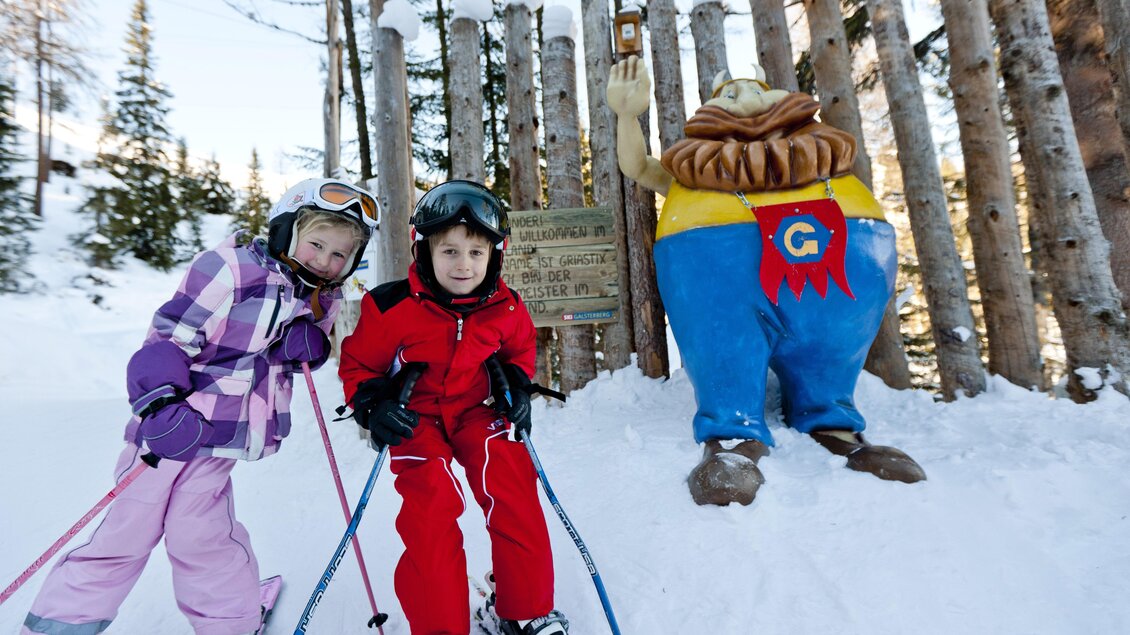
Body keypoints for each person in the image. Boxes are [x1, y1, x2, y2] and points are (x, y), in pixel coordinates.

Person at [22, 178, 380, 635]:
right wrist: (160, 404)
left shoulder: (318, 295)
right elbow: (168, 336)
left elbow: (289, 354)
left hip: (220, 441)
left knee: (201, 537)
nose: (326, 261)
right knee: (125, 533)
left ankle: (231, 621)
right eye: (317, 244)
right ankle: (59, 624)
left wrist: (308, 345)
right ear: (286, 227)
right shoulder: (232, 268)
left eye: (340, 255)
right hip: (167, 433)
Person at [338, 180, 569, 635]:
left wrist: (517, 387)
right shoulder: (390, 306)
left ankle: (522, 609)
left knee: (512, 482)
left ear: (494, 255)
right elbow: (360, 363)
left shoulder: (505, 305)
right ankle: (439, 626)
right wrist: (371, 404)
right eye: (450, 252)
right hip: (415, 419)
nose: (464, 265)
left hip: (474, 410)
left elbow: (519, 348)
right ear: (424, 250)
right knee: (432, 508)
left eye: (476, 253)